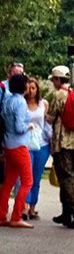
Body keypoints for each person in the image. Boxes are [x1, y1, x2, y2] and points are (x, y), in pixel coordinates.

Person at [46, 65, 74, 229]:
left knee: (66, 179)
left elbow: (50, 118)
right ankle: (66, 213)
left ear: (57, 79)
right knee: (71, 178)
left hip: (62, 143)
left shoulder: (58, 95)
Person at [0, 73, 34, 228]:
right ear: (23, 86)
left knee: (9, 181)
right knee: (27, 181)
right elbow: (20, 127)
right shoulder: (20, 102)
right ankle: (16, 216)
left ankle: (1, 215)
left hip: (7, 144)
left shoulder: (7, 100)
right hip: (19, 145)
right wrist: (30, 126)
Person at [23, 78, 51, 221]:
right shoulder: (22, 104)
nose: (31, 91)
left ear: (37, 89)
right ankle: (25, 206)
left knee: (36, 177)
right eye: (29, 88)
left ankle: (33, 208)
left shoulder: (43, 104)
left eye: (34, 88)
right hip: (26, 143)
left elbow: (46, 121)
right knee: (27, 177)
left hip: (41, 143)